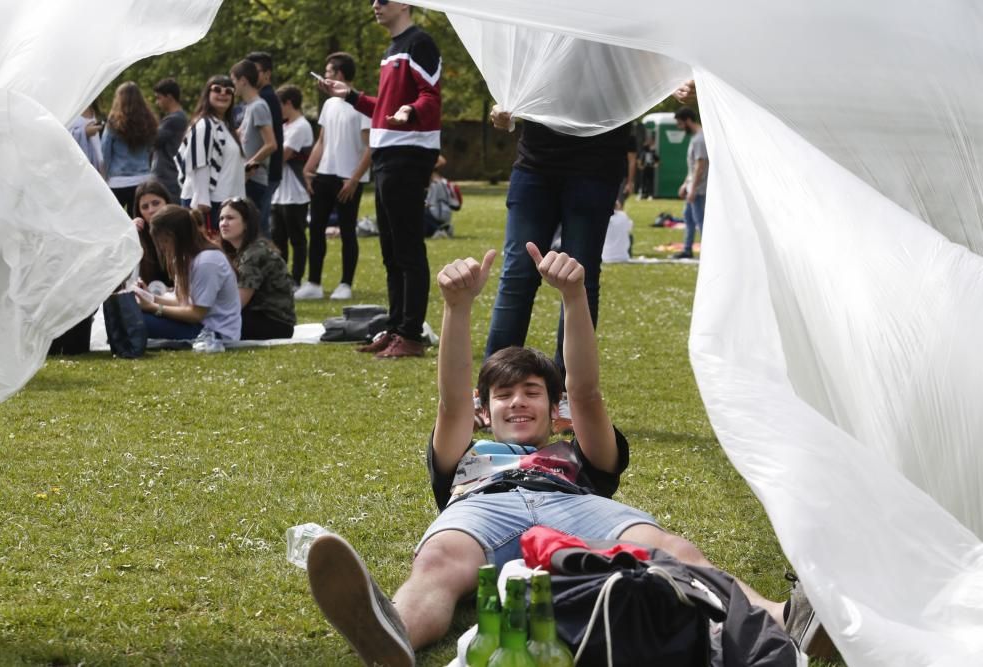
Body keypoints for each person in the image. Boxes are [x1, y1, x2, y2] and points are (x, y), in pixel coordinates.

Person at [303, 245, 824, 666]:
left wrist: (574, 298)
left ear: (556, 410)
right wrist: (456, 309)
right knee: (439, 562)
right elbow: (452, 397)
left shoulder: (582, 454)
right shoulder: (463, 449)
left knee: (673, 551)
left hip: (579, 507)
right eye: (504, 395)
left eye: (532, 391)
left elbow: (588, 391)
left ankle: (783, 617)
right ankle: (395, 634)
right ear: (484, 412)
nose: (518, 401)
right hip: (485, 505)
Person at [484, 109, 626, 427]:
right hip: (536, 162)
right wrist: (505, 104)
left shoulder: (619, 56)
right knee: (517, 273)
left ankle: (565, 396)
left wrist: (679, 80)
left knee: (579, 278)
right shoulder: (541, 53)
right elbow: (519, 76)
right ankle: (493, 388)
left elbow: (649, 70)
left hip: (596, 165)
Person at [318, 1, 441, 358]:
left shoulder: (420, 43)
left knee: (407, 247)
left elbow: (430, 96)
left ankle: (411, 335)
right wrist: (351, 96)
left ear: (404, 4)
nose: (375, 5)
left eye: (383, 0)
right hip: (387, 153)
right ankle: (397, 326)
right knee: (390, 249)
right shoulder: (392, 50)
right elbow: (385, 110)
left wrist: (411, 110)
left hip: (409, 153)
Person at [297, 51, 372, 302]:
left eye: (328, 71)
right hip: (325, 176)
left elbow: (370, 147)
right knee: (316, 228)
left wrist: (353, 179)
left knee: (348, 231)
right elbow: (322, 140)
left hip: (347, 179)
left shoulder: (360, 105)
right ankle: (314, 282)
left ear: (339, 74)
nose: (325, 75)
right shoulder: (329, 104)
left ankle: (345, 284)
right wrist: (308, 169)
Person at [135, 205, 241, 342]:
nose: (162, 247)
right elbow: (182, 301)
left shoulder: (207, 262)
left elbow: (196, 314)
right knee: (135, 315)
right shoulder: (186, 258)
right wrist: (149, 297)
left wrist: (154, 307)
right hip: (197, 326)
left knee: (139, 321)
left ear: (176, 237)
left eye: (164, 241)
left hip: (214, 333)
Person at [218, 197, 297, 340]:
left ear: (247, 223)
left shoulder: (254, 254)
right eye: (221, 218)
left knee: (209, 321)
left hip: (274, 325)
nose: (223, 223)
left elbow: (237, 303)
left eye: (230, 218)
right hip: (259, 318)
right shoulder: (241, 251)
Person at [176, 75, 246, 233]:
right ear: (207, 93)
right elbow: (199, 161)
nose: (223, 93)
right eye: (217, 89)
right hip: (209, 204)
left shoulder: (225, 126)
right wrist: (202, 198)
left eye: (229, 91)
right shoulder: (205, 125)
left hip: (224, 203)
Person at [270, 85, 314, 287]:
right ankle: (281, 278)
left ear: (288, 103)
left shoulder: (301, 126)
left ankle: (295, 279)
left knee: (297, 239)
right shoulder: (286, 127)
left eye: (279, 105)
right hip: (279, 193)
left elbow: (283, 156)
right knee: (278, 239)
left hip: (296, 192)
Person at [231, 59, 277, 236]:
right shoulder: (249, 107)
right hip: (247, 180)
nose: (233, 86)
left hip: (255, 180)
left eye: (234, 81)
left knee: (255, 232)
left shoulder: (259, 106)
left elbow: (271, 144)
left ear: (243, 80)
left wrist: (249, 165)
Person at [101, 81, 157, 215]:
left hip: (118, 181)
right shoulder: (149, 122)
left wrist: (104, 177)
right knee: (141, 224)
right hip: (144, 179)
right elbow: (151, 150)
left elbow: (105, 152)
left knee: (117, 223)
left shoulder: (113, 124)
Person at [245, 51, 284, 236]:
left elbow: (271, 143)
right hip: (263, 171)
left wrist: (250, 165)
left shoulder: (265, 99)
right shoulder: (259, 99)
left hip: (265, 172)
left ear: (267, 73)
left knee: (258, 226)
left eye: (255, 71)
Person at [671, 106, 708, 260]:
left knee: (700, 221)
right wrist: (685, 184)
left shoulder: (700, 139)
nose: (680, 127)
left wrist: (692, 189)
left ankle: (708, 252)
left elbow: (700, 165)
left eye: (680, 123)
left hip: (699, 189)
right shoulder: (696, 138)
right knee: (688, 217)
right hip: (693, 186)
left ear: (688, 120)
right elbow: (693, 167)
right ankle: (687, 249)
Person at [150, 78, 189, 201]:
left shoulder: (173, 119)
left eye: (159, 98)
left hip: (168, 176)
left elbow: (153, 140)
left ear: (169, 97)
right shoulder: (179, 117)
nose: (157, 102)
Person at [132, 179, 173, 287]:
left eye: (156, 203)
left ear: (166, 202)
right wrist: (129, 235)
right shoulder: (136, 234)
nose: (151, 210)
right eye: (145, 207)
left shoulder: (181, 226)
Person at [67, 103, 104, 172]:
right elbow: (65, 138)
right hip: (80, 166)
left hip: (98, 164)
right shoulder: (69, 110)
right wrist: (85, 132)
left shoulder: (92, 105)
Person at [638, 133, 659, 199]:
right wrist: (640, 166)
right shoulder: (643, 151)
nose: (648, 142)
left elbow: (657, 159)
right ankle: (642, 194)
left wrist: (656, 165)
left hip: (650, 167)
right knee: (643, 181)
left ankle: (650, 194)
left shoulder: (652, 151)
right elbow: (639, 159)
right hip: (644, 168)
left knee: (650, 182)